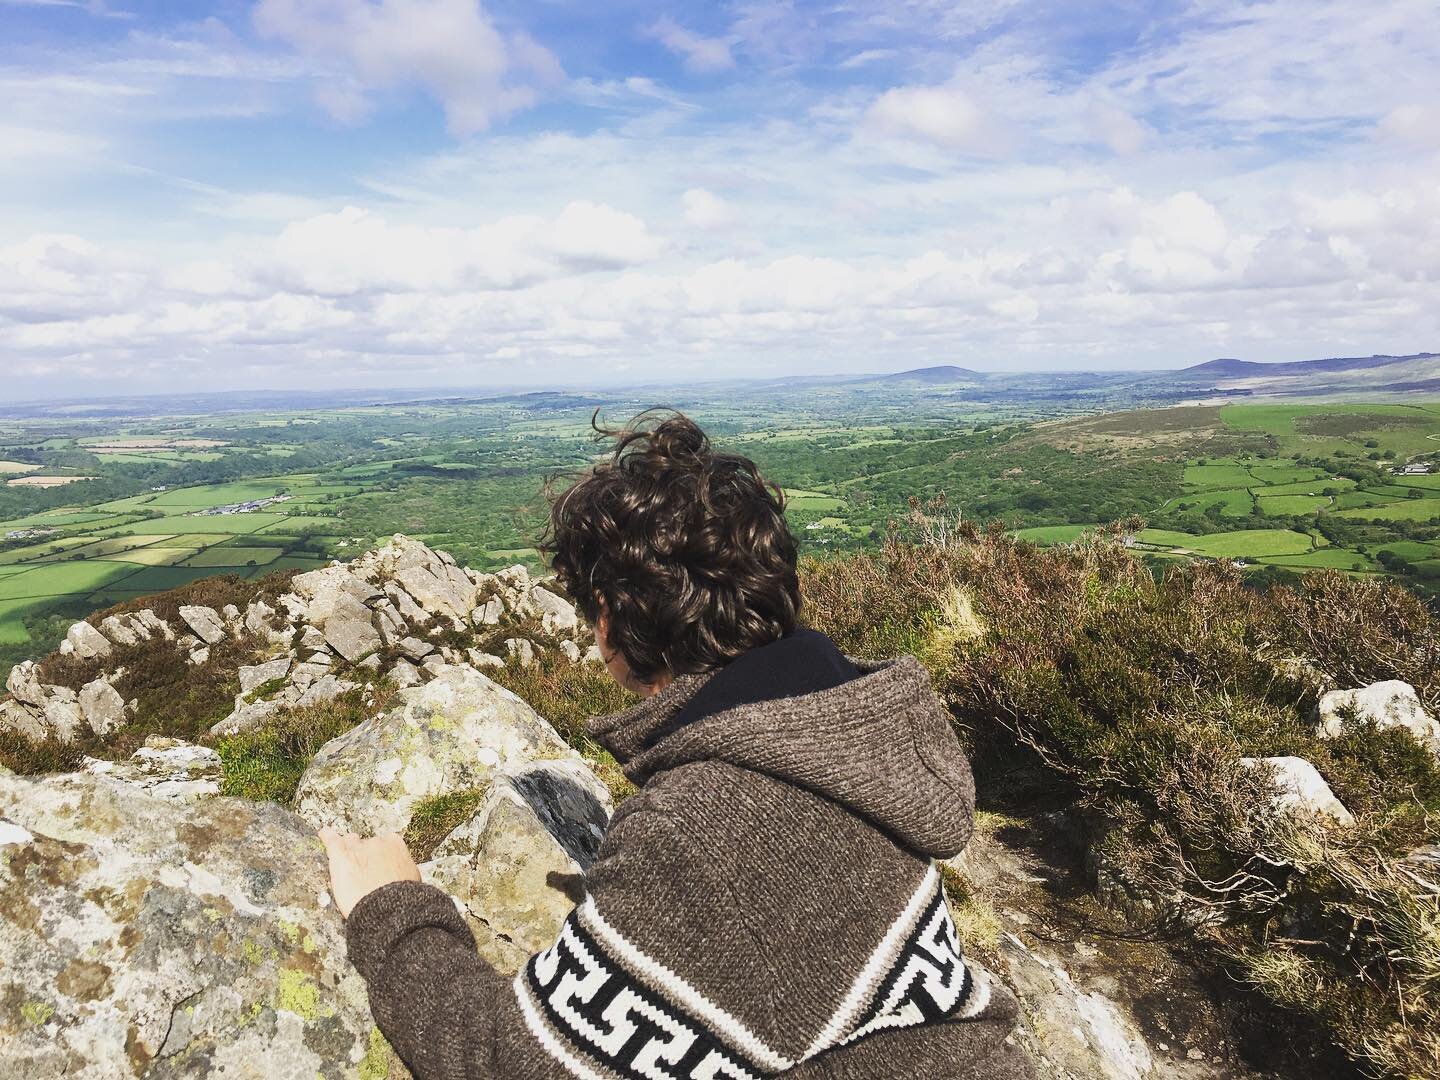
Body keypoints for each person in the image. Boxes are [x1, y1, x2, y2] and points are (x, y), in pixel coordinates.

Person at [319, 410, 1034, 1079]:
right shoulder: (848, 732)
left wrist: (395, 910)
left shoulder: (697, 829)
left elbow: (512, 1060)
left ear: (609, 621)